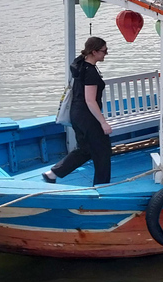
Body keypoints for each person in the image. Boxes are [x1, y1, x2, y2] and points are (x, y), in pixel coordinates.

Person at [43, 37, 112, 185]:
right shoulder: (91, 72)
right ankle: (102, 186)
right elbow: (90, 100)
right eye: (104, 51)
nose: (106, 53)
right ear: (94, 52)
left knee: (86, 149)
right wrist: (103, 122)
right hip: (87, 116)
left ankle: (53, 173)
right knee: (103, 151)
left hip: (76, 114)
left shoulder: (79, 64)